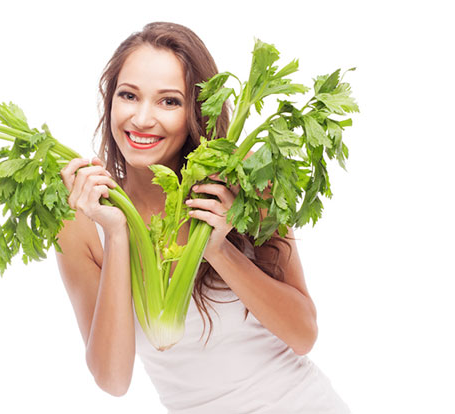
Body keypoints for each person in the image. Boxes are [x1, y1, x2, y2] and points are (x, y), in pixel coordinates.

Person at [56, 22, 350, 414]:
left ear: (197, 110)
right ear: (110, 101)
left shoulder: (242, 180)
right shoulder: (82, 218)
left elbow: (303, 334)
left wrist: (219, 251)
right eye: (129, 95)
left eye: (169, 101)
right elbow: (113, 379)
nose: (142, 119)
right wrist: (117, 234)